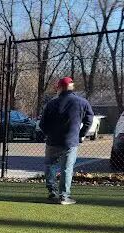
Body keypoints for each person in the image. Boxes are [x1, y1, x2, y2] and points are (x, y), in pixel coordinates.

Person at [40, 76, 94, 205]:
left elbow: (42, 124)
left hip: (53, 140)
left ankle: (52, 192)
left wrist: (49, 133)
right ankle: (64, 196)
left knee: (50, 165)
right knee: (66, 168)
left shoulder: (51, 104)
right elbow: (89, 120)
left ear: (58, 88)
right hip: (70, 140)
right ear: (72, 87)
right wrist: (81, 134)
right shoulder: (82, 102)